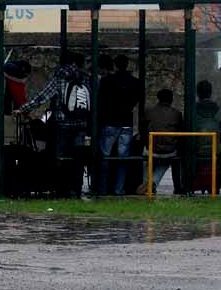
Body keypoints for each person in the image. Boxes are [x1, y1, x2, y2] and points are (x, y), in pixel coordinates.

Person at [15, 52, 90, 198]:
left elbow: (43, 96)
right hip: (81, 124)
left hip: (63, 124)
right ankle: (76, 189)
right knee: (78, 157)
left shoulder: (60, 77)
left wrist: (23, 109)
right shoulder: (85, 77)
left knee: (60, 157)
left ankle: (61, 188)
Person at [97, 54, 141, 195]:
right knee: (123, 157)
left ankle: (102, 188)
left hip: (109, 121)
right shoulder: (134, 82)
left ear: (115, 64)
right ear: (127, 64)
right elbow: (135, 101)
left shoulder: (106, 81)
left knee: (105, 156)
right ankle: (119, 188)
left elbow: (101, 100)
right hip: (126, 122)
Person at [140, 88, 184, 194]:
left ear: (158, 98)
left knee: (146, 160)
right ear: (171, 99)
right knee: (166, 161)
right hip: (170, 151)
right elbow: (181, 132)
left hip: (151, 149)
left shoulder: (149, 112)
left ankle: (146, 183)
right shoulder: (176, 114)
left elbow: (142, 131)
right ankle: (153, 183)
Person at [193, 80, 221, 194]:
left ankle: (184, 186)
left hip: (195, 152)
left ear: (198, 93)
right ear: (211, 93)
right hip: (216, 153)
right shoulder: (220, 111)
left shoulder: (192, 111)